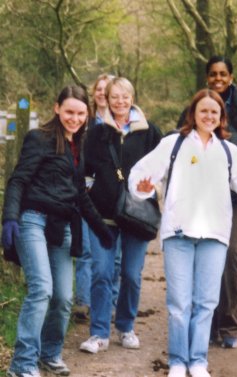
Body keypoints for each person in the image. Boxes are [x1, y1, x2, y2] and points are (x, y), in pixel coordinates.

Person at [128, 89, 237, 377]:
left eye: (215, 112)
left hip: (214, 236)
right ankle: (177, 362)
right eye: (203, 111)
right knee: (178, 303)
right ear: (193, 114)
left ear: (222, 116)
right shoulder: (173, 144)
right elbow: (141, 173)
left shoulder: (228, 150)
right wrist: (143, 187)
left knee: (206, 302)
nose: (209, 116)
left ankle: (198, 362)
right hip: (178, 234)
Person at [1, 86, 113, 377]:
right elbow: (17, 181)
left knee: (63, 298)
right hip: (32, 221)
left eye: (80, 113)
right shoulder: (39, 139)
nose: (74, 118)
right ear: (57, 108)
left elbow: (80, 194)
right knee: (41, 290)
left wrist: (101, 229)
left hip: (61, 227)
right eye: (69, 112)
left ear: (87, 114)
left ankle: (49, 354)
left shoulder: (78, 147)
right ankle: (22, 364)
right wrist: (10, 219)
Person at [175, 56, 237, 348]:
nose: (218, 79)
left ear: (231, 77)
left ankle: (230, 324)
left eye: (223, 74)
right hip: (204, 194)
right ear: (207, 78)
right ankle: (206, 323)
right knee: (204, 251)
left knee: (228, 252)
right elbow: (180, 145)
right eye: (213, 74)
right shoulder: (194, 107)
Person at [79, 77, 163, 354]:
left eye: (125, 96)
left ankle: (126, 326)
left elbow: (161, 168)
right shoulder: (95, 132)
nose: (120, 101)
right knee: (101, 272)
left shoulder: (150, 132)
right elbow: (86, 170)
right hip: (102, 215)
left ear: (132, 97)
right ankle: (99, 332)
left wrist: (155, 187)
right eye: (114, 96)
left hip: (137, 214)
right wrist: (90, 195)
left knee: (131, 274)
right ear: (107, 98)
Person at [73, 73, 118, 323]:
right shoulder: (84, 120)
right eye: (98, 89)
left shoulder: (121, 122)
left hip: (112, 200)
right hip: (86, 194)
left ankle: (110, 303)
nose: (102, 93)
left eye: (107, 89)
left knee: (114, 255)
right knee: (86, 250)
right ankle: (83, 301)